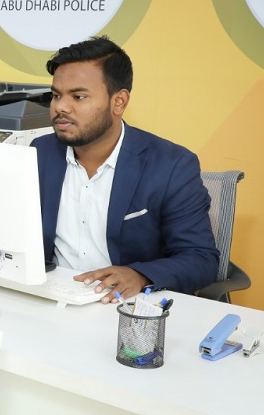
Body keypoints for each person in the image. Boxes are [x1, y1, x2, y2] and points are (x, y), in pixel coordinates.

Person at [31, 36, 219, 303]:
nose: (60, 106)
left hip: (128, 306)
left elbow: (200, 258)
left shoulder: (171, 165)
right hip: (51, 298)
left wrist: (140, 275)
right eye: (56, 95)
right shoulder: (39, 153)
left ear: (118, 101)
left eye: (78, 96)